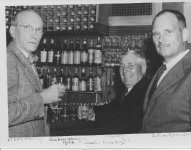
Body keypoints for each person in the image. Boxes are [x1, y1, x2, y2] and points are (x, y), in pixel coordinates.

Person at [7, 9, 66, 137]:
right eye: (28, 27)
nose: (35, 35)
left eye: (39, 30)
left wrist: (47, 97)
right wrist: (42, 98)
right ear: (13, 31)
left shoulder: (27, 58)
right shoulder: (7, 59)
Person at [141, 9, 191, 133]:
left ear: (185, 34)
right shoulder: (162, 69)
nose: (161, 39)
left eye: (168, 31)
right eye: (156, 34)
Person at [78, 50, 150, 134]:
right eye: (122, 66)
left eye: (130, 66)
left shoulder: (145, 91)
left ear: (143, 69)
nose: (124, 71)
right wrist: (91, 112)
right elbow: (112, 108)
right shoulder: (128, 90)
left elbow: (126, 123)